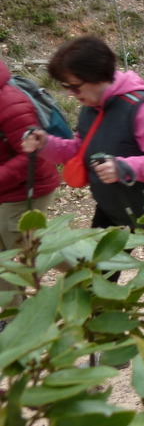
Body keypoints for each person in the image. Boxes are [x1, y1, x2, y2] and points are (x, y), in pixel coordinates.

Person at [22, 35, 144, 278]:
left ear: (96, 76)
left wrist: (124, 168)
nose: (71, 93)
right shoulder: (91, 109)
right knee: (95, 279)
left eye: (75, 86)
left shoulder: (142, 108)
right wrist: (45, 144)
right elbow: (81, 152)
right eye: (66, 86)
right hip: (113, 212)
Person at [0, 59, 61, 315]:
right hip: (7, 189)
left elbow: (31, 156)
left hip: (27, 190)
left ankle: (90, 272)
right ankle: (12, 317)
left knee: (36, 249)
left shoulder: (10, 103)